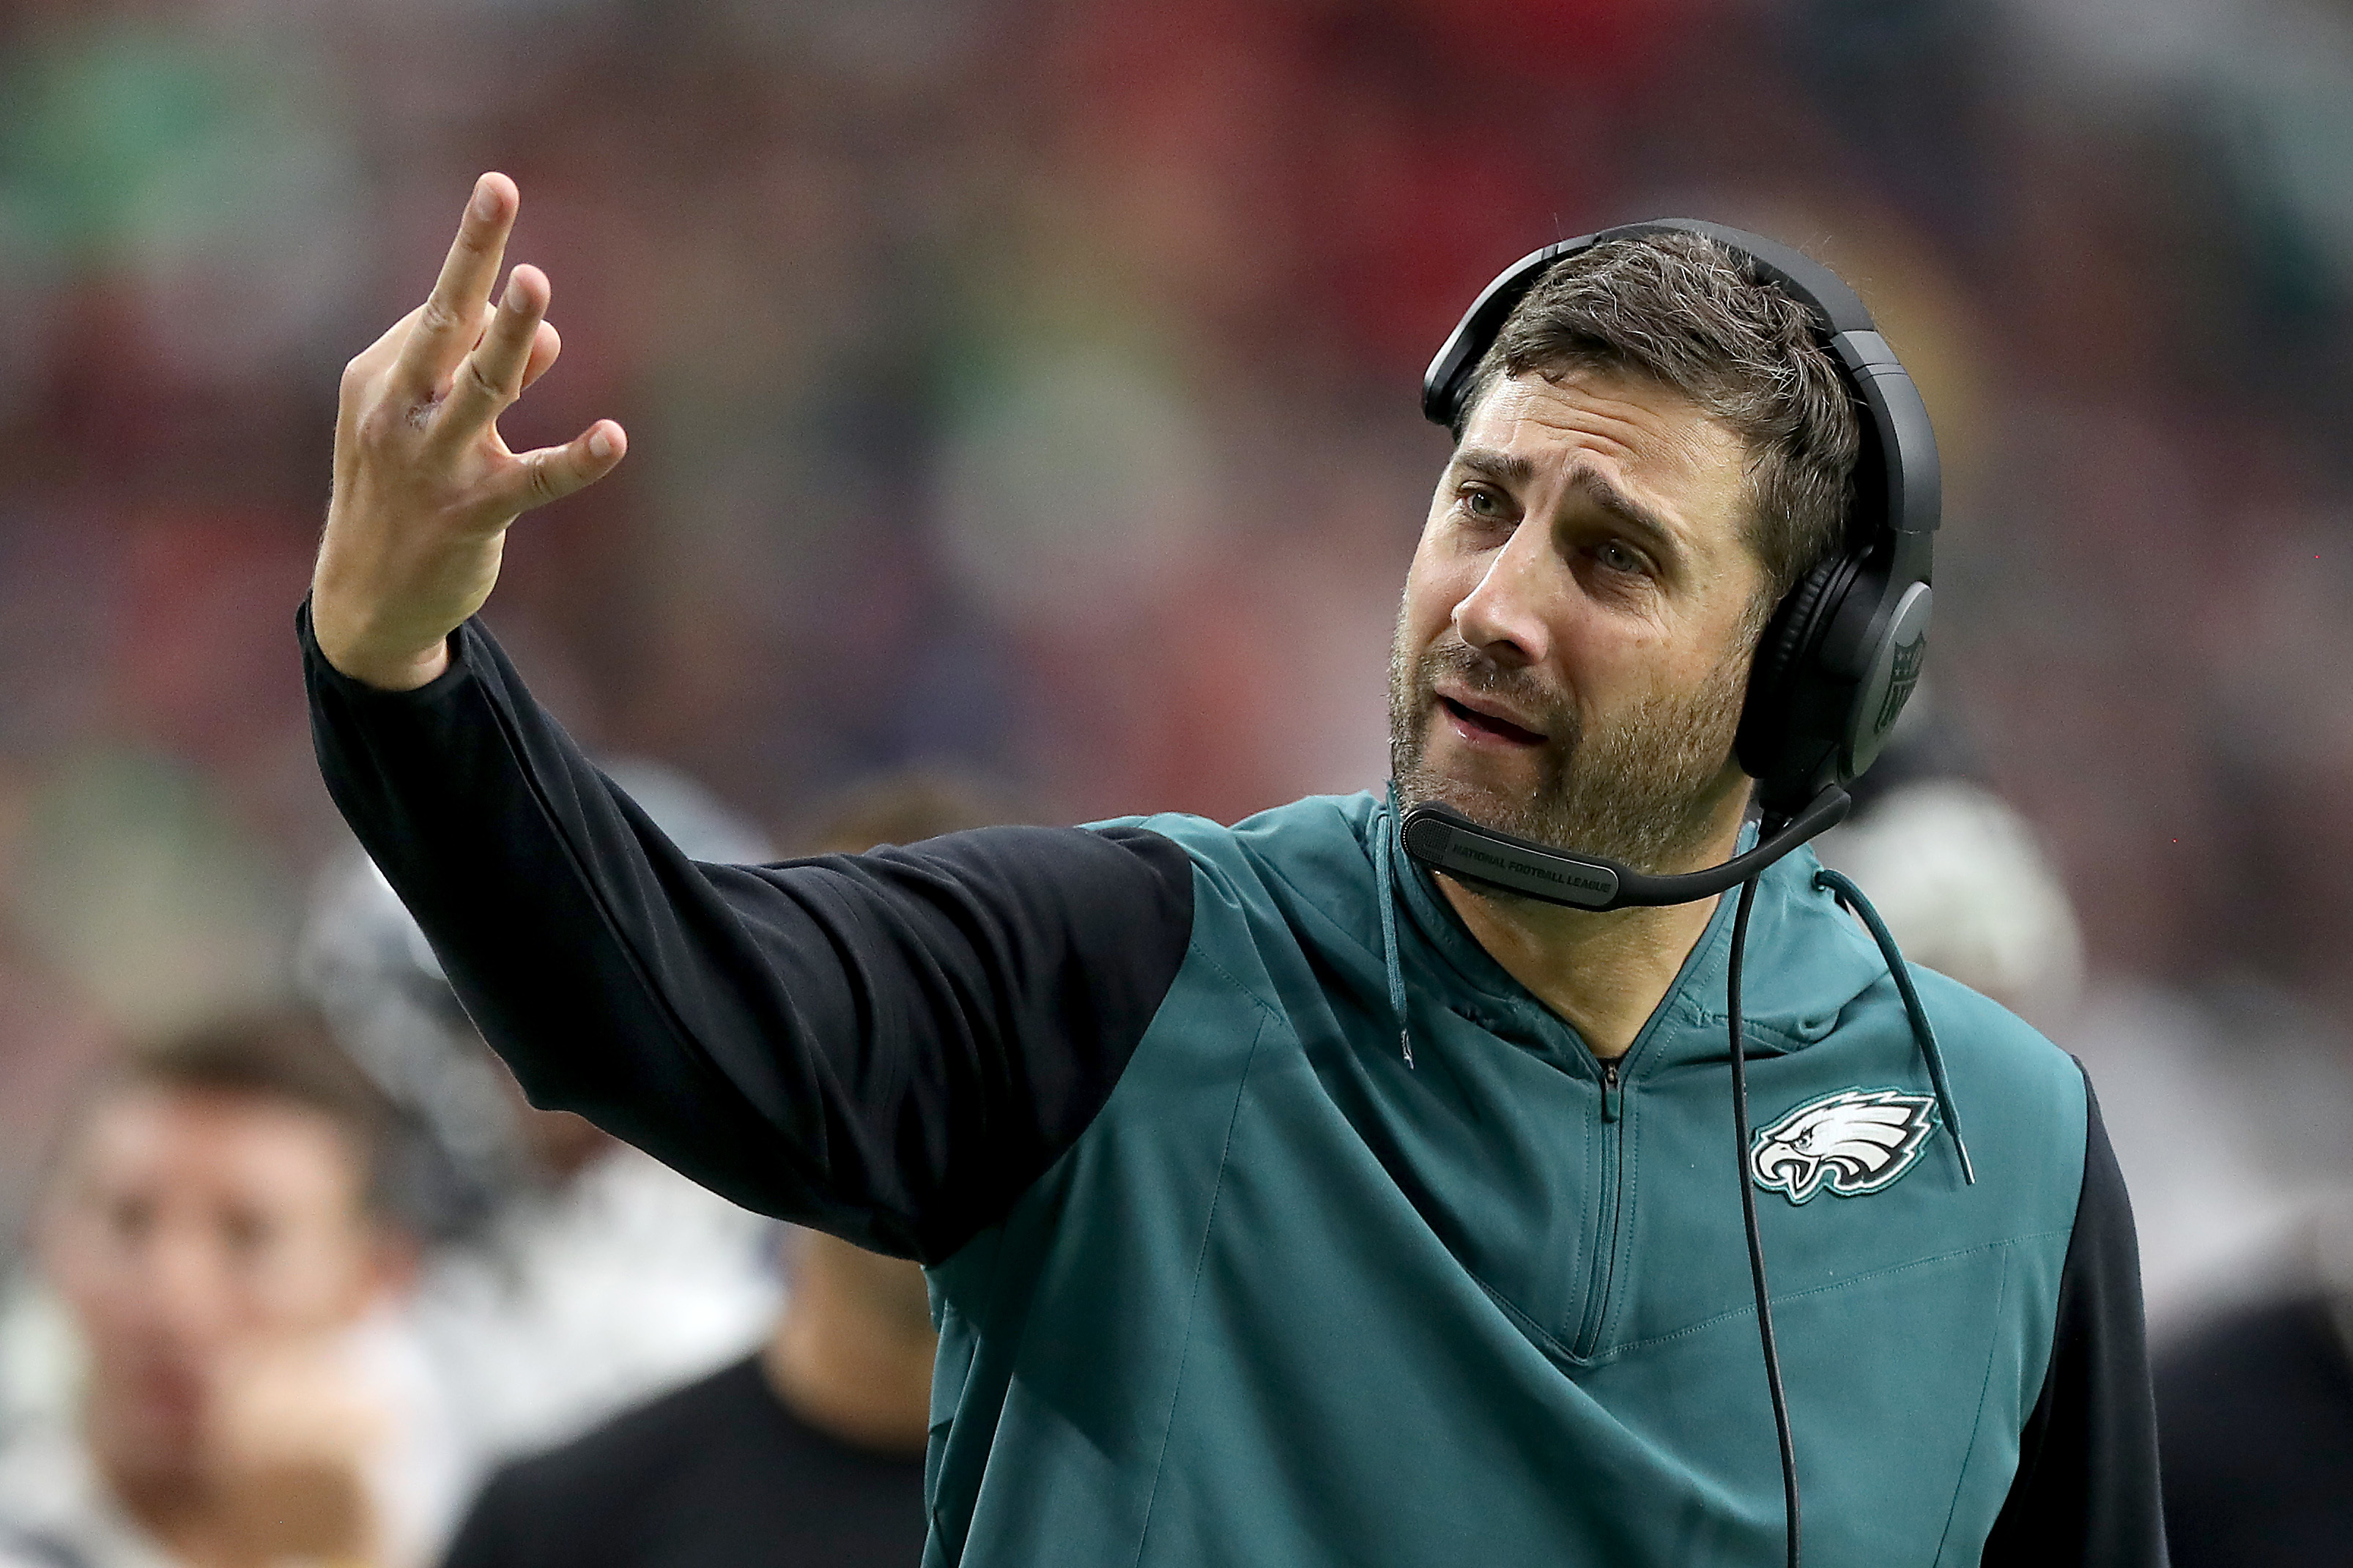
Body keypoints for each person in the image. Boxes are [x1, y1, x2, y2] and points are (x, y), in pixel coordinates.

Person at [298, 174, 2165, 1564]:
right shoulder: (1127, 969)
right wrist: (403, 660)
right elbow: (644, 990)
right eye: (1481, 502)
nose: (1496, 605)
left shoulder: (2003, 1142)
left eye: (1612, 558)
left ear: (1804, 672)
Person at [433, 778, 1012, 1568]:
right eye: (873, 1038)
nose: (923, 1110)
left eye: (983, 1040)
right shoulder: (561, 1528)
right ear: (767, 1067)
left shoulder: (1201, 1507)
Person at [298, 759, 784, 1466]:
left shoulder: (750, 1299)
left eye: (608, 1018)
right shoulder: (370, 1307)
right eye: (506, 1012)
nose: (557, 1069)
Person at [0, 1014, 463, 1568]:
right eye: (129, 1221)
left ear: (374, 1281)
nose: (171, 1298)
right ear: (50, 1238)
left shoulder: (472, 1506)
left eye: (247, 1236)